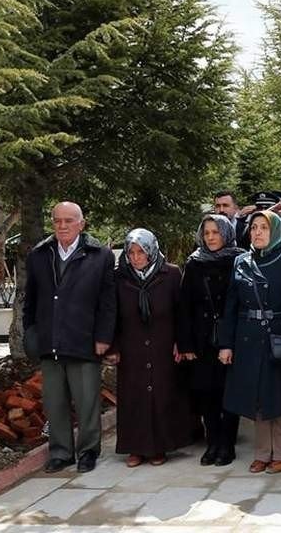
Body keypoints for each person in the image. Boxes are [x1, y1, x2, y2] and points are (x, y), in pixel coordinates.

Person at [23, 202, 116, 474]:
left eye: (68, 221)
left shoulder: (100, 256)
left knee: (87, 401)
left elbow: (107, 303)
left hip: (84, 340)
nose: (62, 226)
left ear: (81, 224)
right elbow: (31, 301)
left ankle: (88, 451)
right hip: (50, 341)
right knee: (54, 402)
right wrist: (31, 332)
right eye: (57, 221)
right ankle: (61, 452)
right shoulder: (39, 255)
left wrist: (103, 337)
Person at [218, 211, 281, 475]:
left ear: (276, 230)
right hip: (249, 337)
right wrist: (226, 344)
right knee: (257, 397)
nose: (257, 232)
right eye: (254, 227)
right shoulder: (241, 261)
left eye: (263, 227)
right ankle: (262, 453)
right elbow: (231, 305)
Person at [109, 229, 192, 467]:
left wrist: (181, 341)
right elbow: (111, 314)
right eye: (131, 252)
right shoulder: (119, 278)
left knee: (162, 394)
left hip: (163, 343)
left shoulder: (172, 274)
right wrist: (113, 347)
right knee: (133, 396)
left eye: (141, 252)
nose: (136, 258)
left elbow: (182, 312)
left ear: (152, 251)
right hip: (131, 346)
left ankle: (159, 447)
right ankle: (135, 447)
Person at [181, 215, 244, 467]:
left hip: (231, 336)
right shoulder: (195, 263)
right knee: (207, 393)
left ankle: (227, 444)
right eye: (206, 233)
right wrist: (185, 344)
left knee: (229, 392)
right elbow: (184, 306)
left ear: (226, 233)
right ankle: (212, 442)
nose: (210, 237)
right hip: (203, 338)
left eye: (215, 232)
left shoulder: (240, 259)